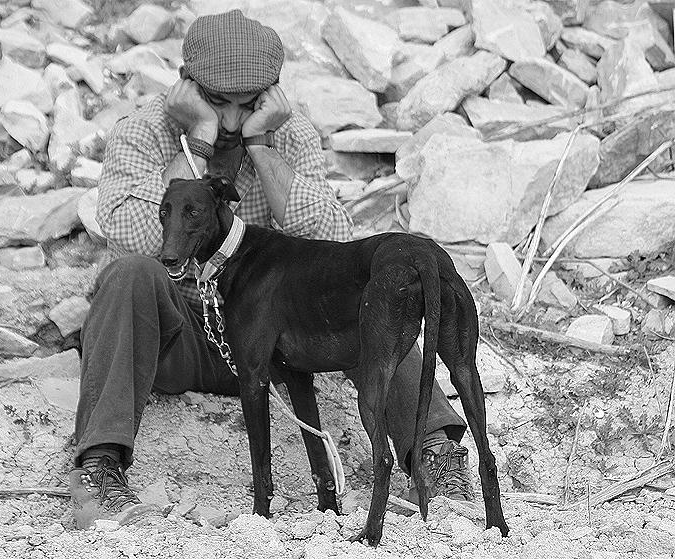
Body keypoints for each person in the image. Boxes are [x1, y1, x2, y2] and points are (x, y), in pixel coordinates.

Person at [70, 9, 473, 529]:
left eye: (247, 106)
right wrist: (198, 143)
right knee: (128, 275)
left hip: (279, 341)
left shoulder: (287, 134)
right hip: (178, 339)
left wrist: (260, 149)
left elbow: (335, 246)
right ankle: (99, 470)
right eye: (218, 103)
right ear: (187, 86)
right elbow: (130, 233)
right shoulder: (144, 132)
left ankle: (433, 449)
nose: (231, 122)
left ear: (270, 96)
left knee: (368, 293)